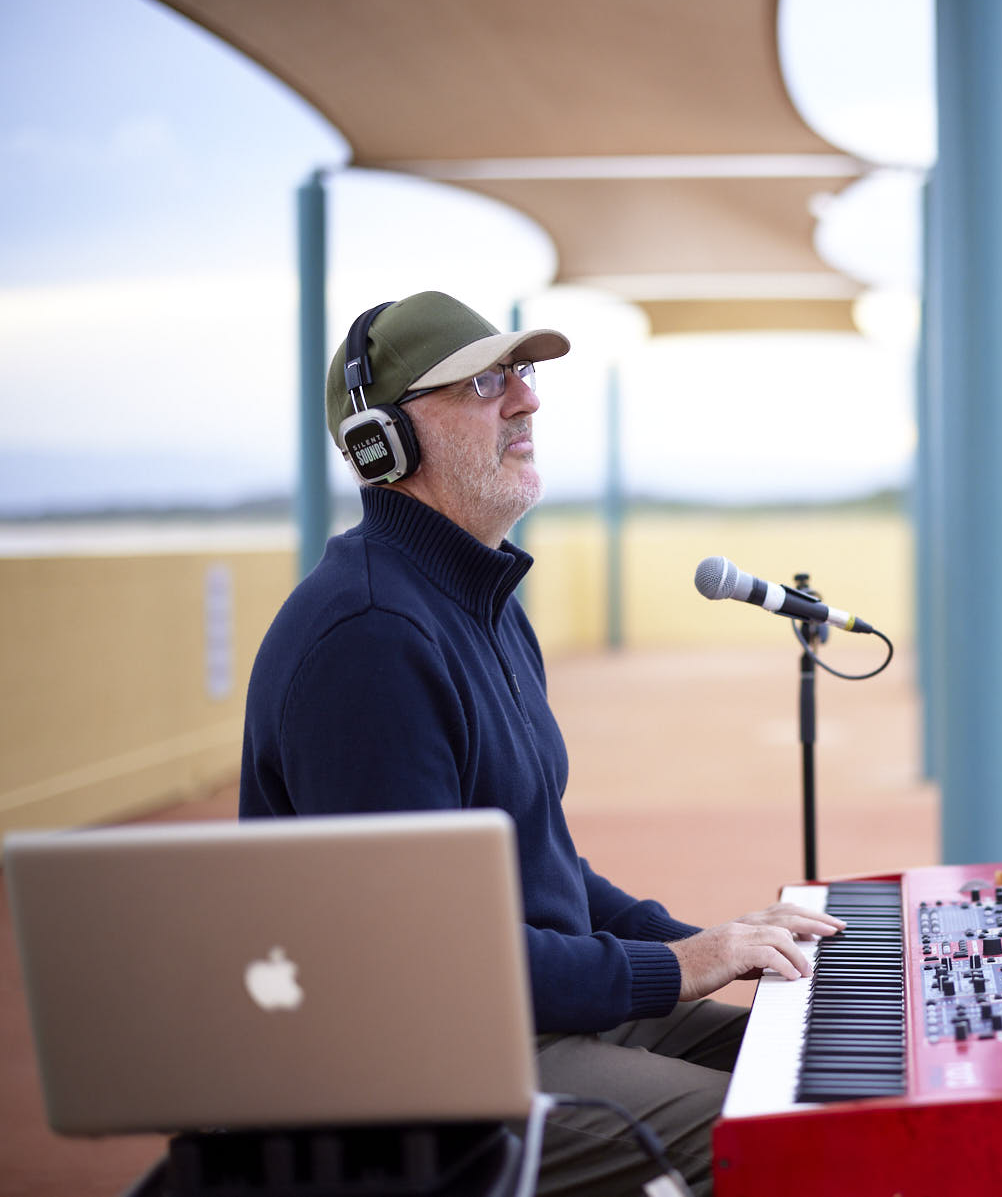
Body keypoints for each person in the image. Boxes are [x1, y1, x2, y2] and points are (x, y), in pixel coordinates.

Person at [240, 291, 843, 1195]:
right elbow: (434, 957)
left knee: (837, 1069)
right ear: (383, 441)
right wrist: (676, 969)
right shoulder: (369, 639)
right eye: (487, 380)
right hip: (427, 1068)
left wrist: (707, 943)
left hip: (533, 1011)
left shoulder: (480, 607)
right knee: (779, 1144)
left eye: (522, 373)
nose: (526, 400)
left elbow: (541, 867)